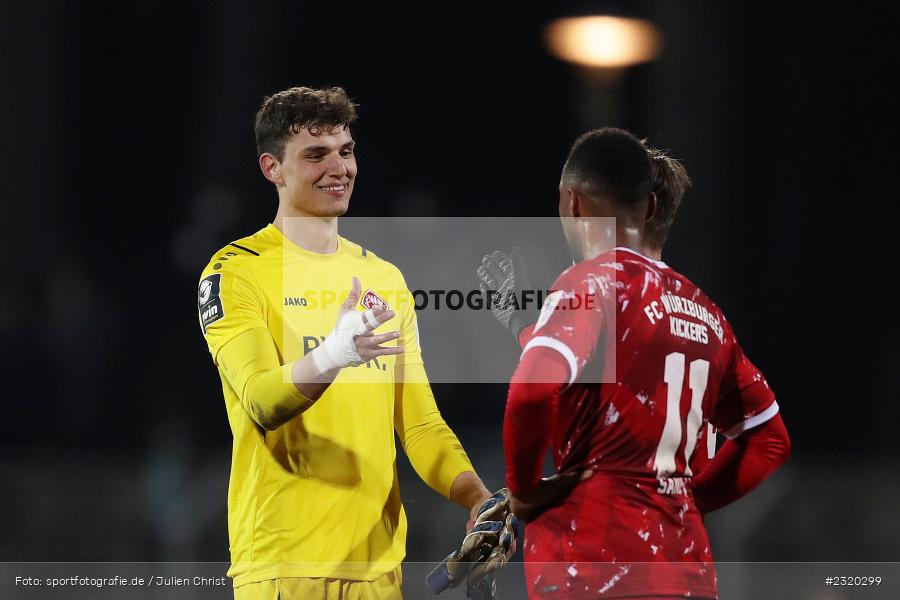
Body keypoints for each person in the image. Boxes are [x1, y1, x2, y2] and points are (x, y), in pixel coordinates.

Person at [196, 85, 492, 600]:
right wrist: (335, 353)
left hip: (379, 576)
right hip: (283, 570)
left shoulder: (384, 279)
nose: (339, 168)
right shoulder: (236, 271)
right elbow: (263, 401)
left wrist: (477, 499)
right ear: (273, 169)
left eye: (346, 151)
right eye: (316, 155)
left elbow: (419, 424)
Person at [481, 128, 790, 599]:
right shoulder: (706, 313)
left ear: (572, 203)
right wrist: (682, 499)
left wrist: (523, 489)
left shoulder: (592, 283)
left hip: (595, 565)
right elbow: (769, 439)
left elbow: (532, 390)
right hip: (685, 570)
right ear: (650, 209)